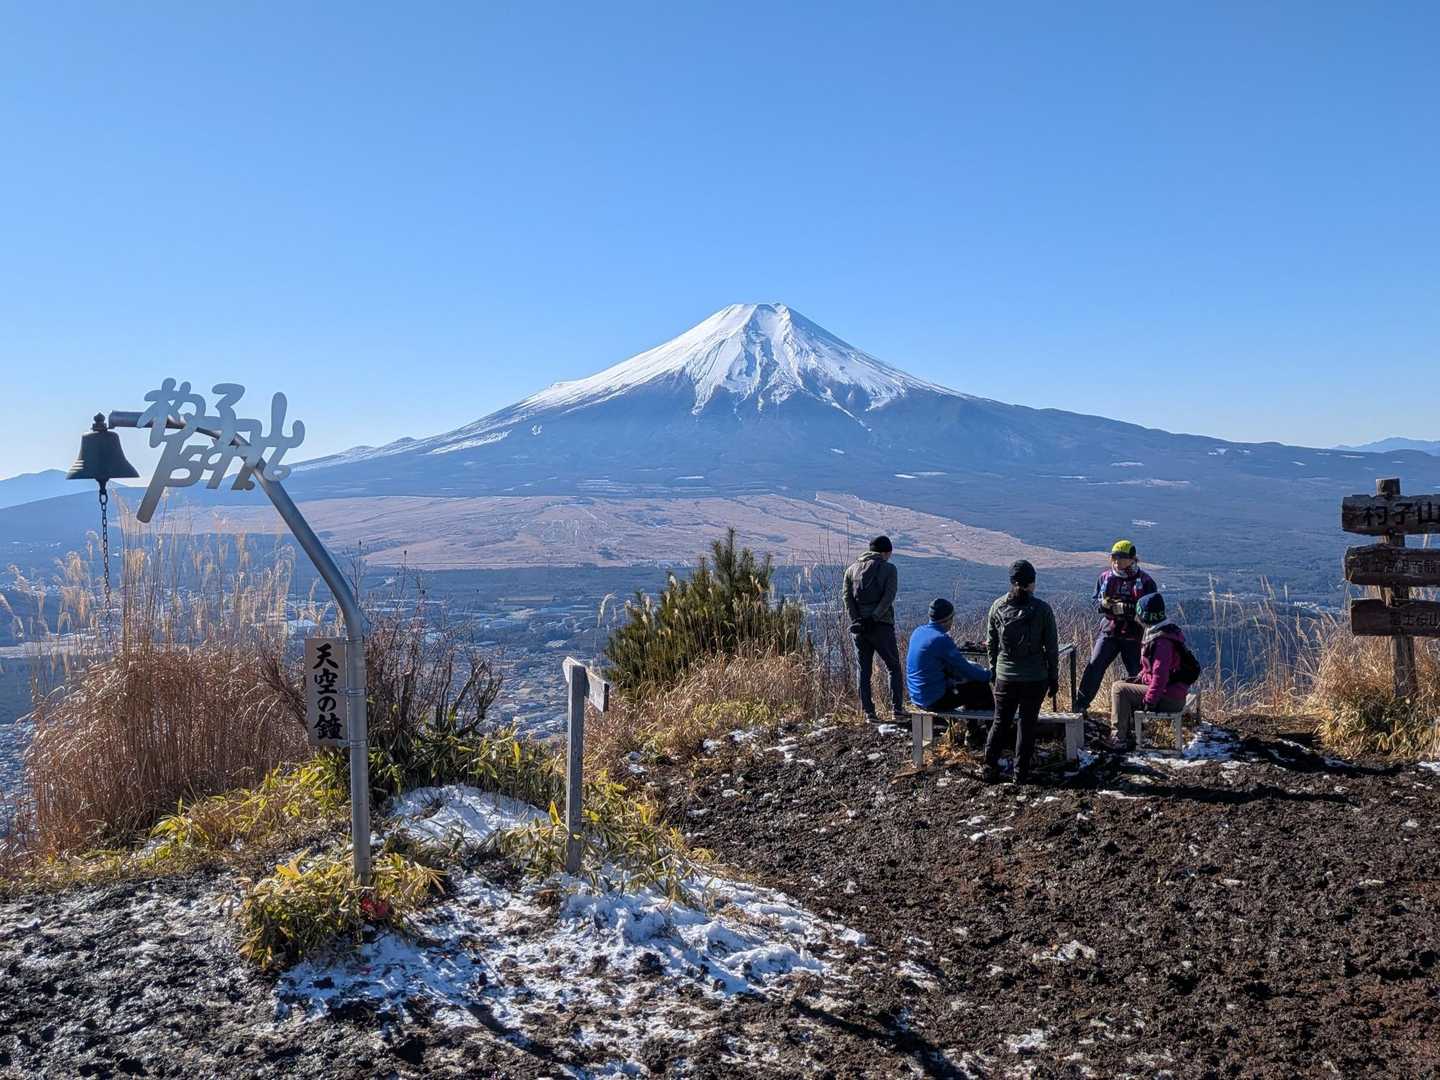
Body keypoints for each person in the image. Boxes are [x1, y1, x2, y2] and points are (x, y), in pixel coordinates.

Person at [982, 559, 1060, 785]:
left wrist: (994, 668)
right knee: (1027, 725)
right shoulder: (1042, 609)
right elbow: (1051, 647)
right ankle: (1021, 773)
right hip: (1035, 677)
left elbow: (991, 643)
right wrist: (1053, 676)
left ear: (1012, 581)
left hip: (1005, 676)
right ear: (1032, 583)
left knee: (1000, 722)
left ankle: (989, 767)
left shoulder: (997, 606)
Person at [1073, 540, 1158, 717]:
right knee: (1095, 665)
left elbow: (1152, 609)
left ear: (1133, 559)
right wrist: (1103, 605)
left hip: (1134, 635)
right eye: (1114, 557)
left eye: (1121, 558)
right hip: (1109, 631)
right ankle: (1080, 706)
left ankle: (1141, 711)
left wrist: (1128, 609)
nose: (1117, 562)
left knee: (1137, 672)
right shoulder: (1105, 578)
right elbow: (1095, 600)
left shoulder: (1145, 581)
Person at [1109, 592, 1194, 751]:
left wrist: (1149, 701)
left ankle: (1118, 739)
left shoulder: (1161, 642)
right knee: (1123, 684)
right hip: (1173, 692)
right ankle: (1128, 732)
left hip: (1169, 698)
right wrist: (1139, 678)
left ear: (1144, 616)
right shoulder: (1167, 631)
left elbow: (1160, 676)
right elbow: (1152, 670)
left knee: (1118, 689)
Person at [843, 535, 905, 722]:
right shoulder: (889, 569)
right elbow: (889, 597)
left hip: (859, 628)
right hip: (881, 625)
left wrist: (857, 620)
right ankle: (897, 710)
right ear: (887, 552)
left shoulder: (851, 570)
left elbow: (847, 598)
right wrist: (874, 617)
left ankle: (869, 712)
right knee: (893, 667)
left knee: (863, 670)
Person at [905, 598, 993, 715]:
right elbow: (966, 669)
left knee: (966, 686)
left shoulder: (918, 632)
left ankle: (972, 725)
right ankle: (990, 724)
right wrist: (990, 675)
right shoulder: (941, 639)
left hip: (917, 696)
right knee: (980, 686)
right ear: (947, 619)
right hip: (933, 700)